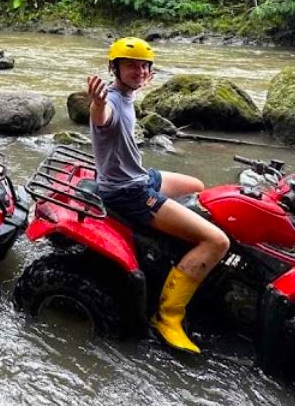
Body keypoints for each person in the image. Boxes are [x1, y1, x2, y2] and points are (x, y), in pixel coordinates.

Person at [86, 37, 229, 354]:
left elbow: (125, 96)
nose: (139, 71)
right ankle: (168, 316)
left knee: (198, 187)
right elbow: (103, 117)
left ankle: (173, 248)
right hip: (127, 192)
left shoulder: (127, 93)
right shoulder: (108, 100)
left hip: (139, 176)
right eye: (131, 65)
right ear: (115, 68)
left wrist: (139, 83)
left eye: (144, 66)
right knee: (218, 242)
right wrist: (95, 102)